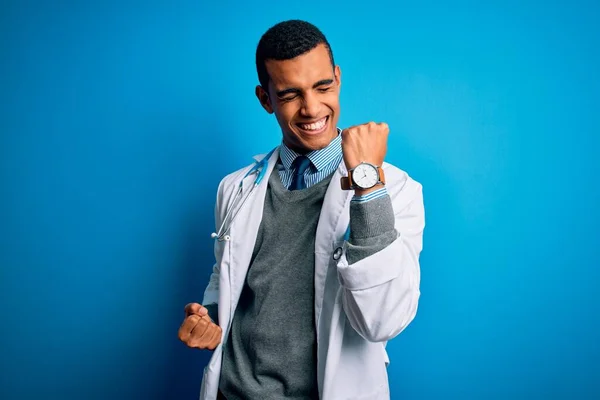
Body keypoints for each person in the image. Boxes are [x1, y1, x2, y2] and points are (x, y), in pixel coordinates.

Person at [178, 19, 425, 400]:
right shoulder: (235, 188)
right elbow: (224, 272)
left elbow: (382, 320)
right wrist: (208, 315)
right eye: (291, 94)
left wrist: (366, 181)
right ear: (265, 99)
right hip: (233, 392)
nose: (312, 108)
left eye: (323, 87)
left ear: (337, 79)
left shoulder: (393, 188)